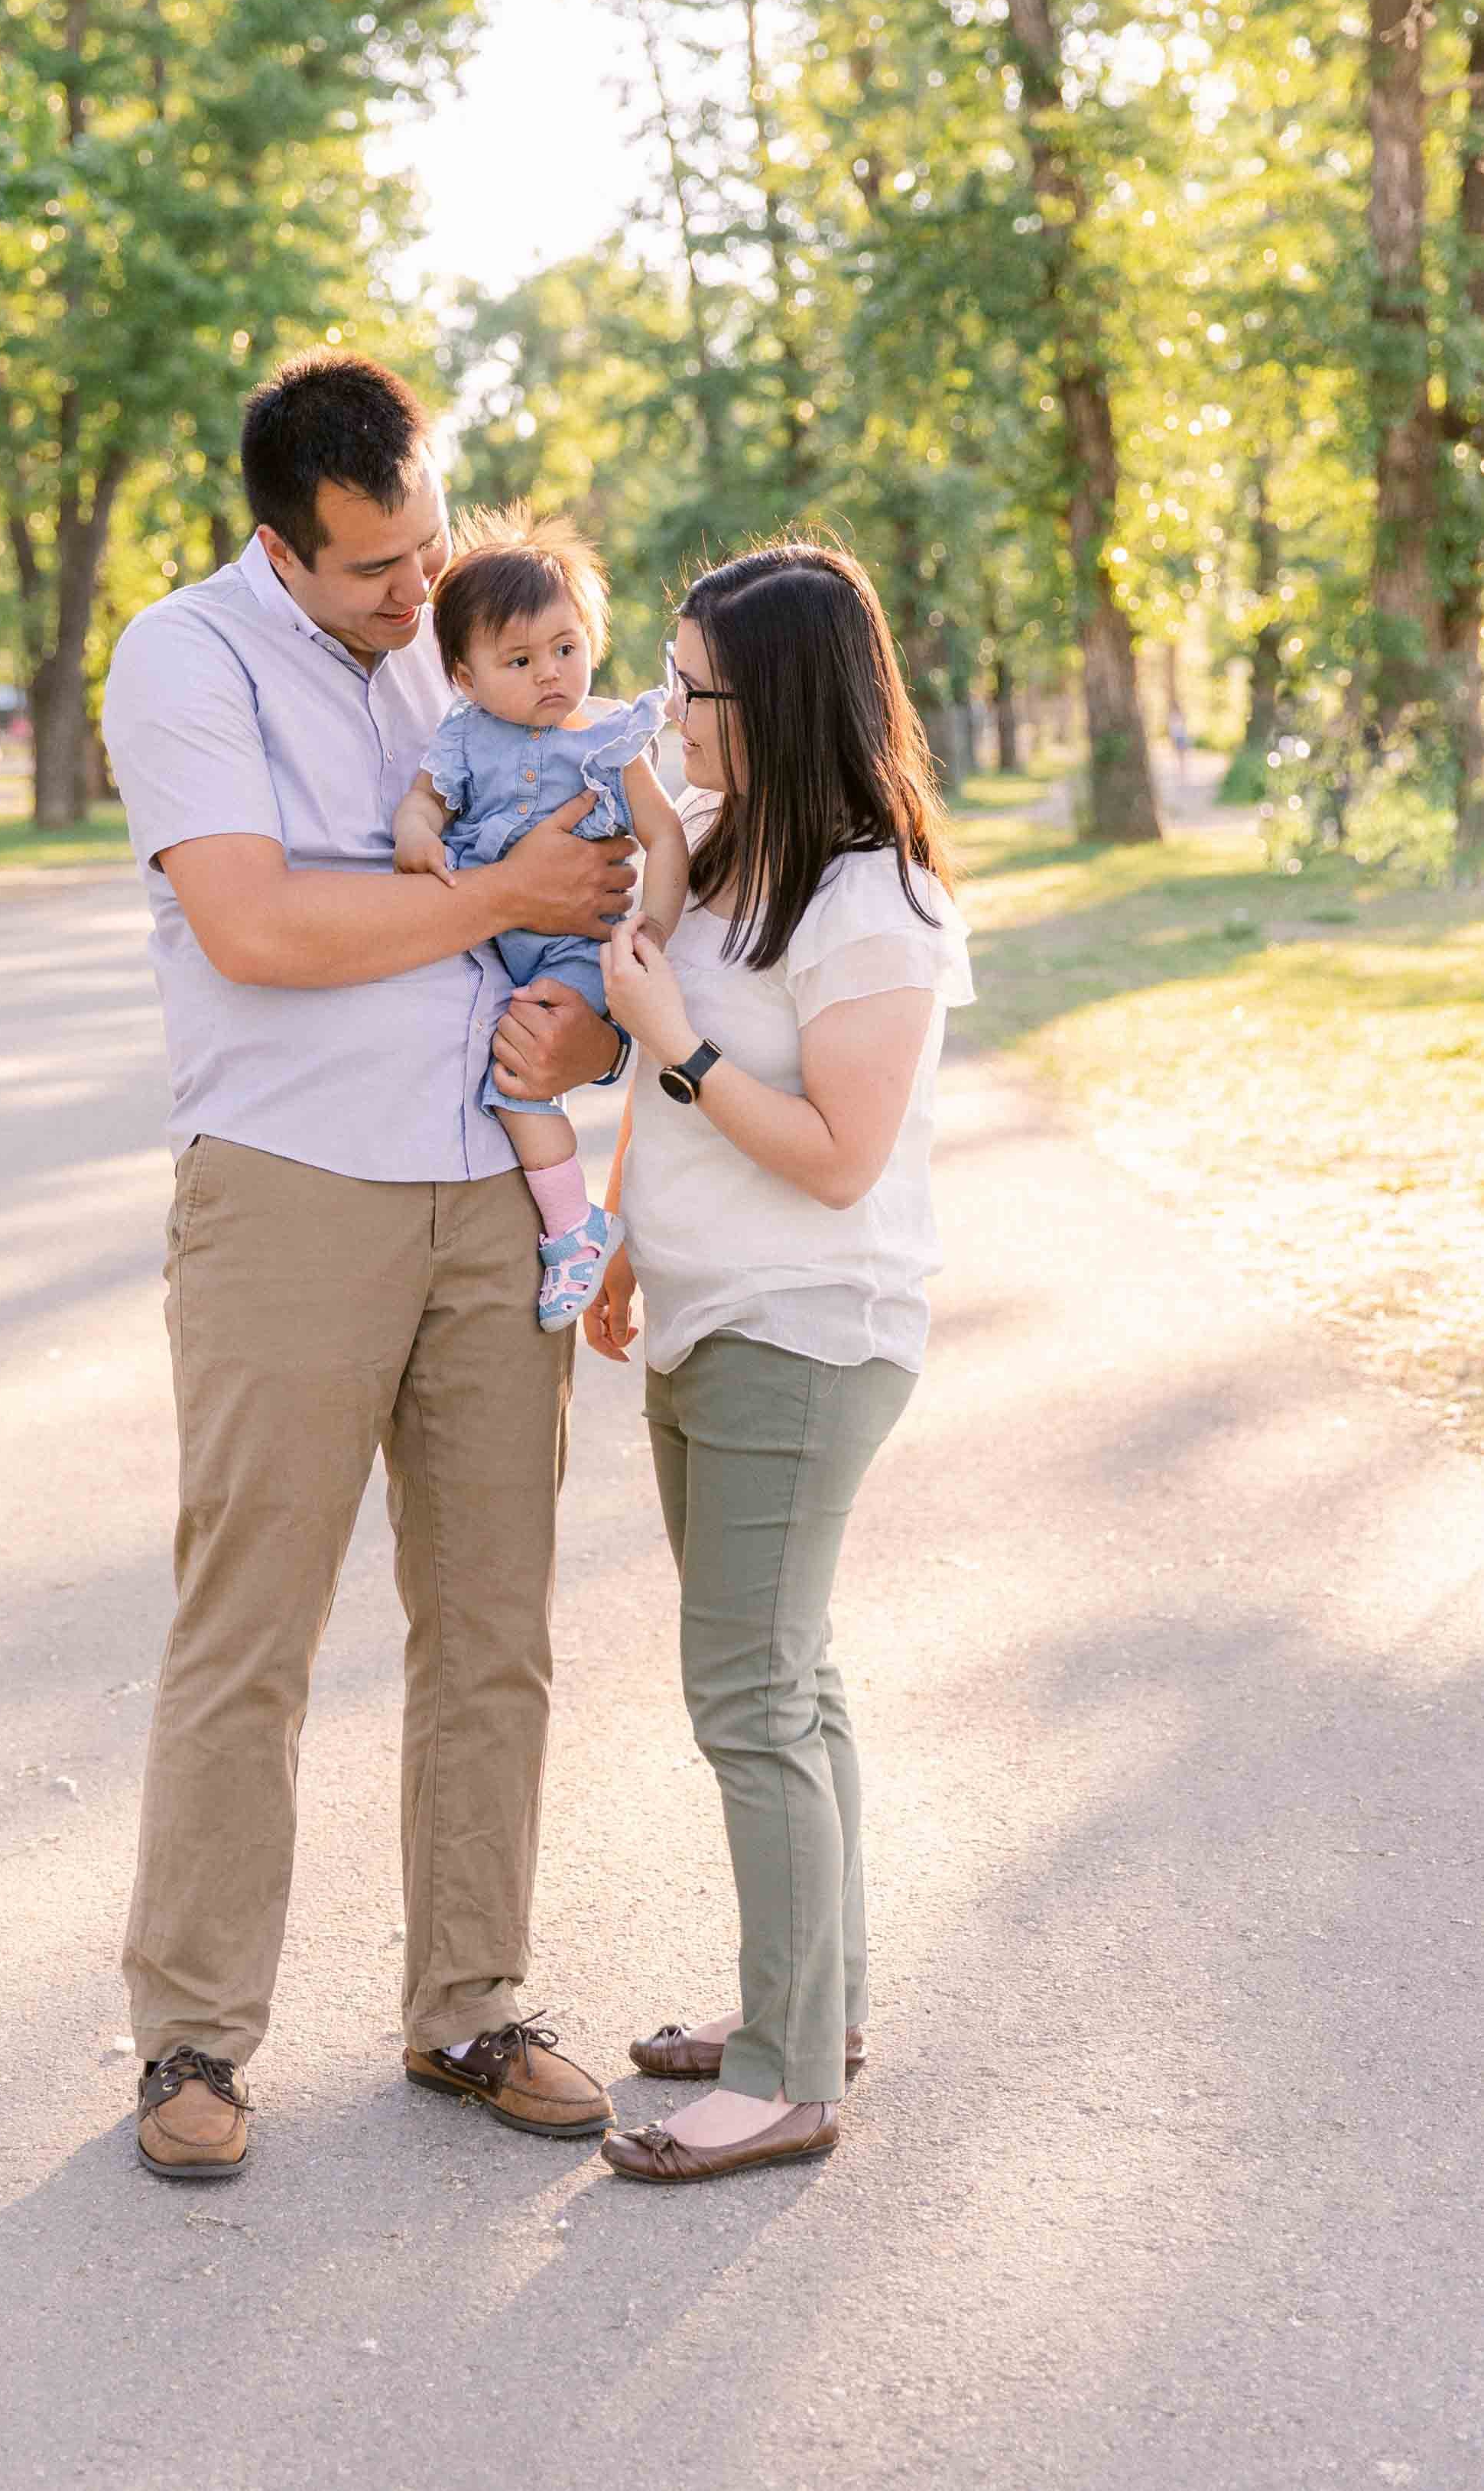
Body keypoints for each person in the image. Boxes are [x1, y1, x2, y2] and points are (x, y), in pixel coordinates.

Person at [100, 353, 631, 2184]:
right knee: (248, 1622)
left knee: (496, 1618)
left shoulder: (473, 633)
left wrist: (588, 1040)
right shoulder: (185, 658)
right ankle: (192, 2033)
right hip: (291, 1188)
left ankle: (469, 2002)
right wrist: (503, 901)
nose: (419, 598)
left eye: (430, 551)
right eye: (374, 573)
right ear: (280, 544)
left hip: (493, 1183)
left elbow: (609, 885)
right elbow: (254, 923)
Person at [581, 541, 974, 2187]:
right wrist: (618, 1233)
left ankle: (785, 2073)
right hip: (706, 1315)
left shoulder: (872, 899)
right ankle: (814, 2004)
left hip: (803, 1336)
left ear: (777, 701)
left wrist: (670, 1062)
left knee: (746, 1698)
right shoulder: (742, 858)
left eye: (689, 688)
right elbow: (675, 1011)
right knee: (791, 1685)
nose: (663, 705)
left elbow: (831, 1156)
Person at [394, 506, 690, 1330]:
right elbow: (419, 806)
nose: (550, 673)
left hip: (568, 951)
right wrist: (418, 839)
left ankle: (572, 1231)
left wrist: (652, 932)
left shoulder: (604, 741)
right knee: (488, 1067)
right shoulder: (461, 741)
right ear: (465, 674)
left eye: (566, 647)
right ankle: (572, 1225)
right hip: (489, 950)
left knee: (519, 1087)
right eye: (518, 659)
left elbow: (664, 837)